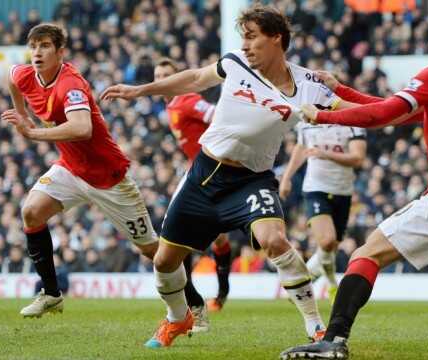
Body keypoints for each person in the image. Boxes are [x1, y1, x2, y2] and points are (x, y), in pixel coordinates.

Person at [102, 4, 356, 349]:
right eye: (244, 38)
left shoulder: (311, 85)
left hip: (251, 180)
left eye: (252, 37)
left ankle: (315, 326)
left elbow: (360, 110)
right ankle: (178, 318)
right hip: (203, 176)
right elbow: (193, 79)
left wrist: (410, 108)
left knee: (275, 240)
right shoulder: (235, 62)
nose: (246, 45)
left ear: (276, 38)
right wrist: (140, 90)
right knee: (163, 260)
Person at [281, 8, 428, 359]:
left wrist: (323, 114)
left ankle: (333, 341)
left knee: (366, 254)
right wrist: (340, 90)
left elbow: (384, 114)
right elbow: (394, 109)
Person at [2, 23, 160, 318]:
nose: (37, 52)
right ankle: (51, 294)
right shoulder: (23, 74)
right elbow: (11, 79)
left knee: (153, 251)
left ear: (60, 52)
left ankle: (194, 303)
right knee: (31, 212)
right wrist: (22, 114)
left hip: (108, 177)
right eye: (34, 46)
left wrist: (32, 133)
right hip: (71, 169)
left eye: (45, 46)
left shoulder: (70, 84)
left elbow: (82, 128)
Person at [154, 59, 233, 331]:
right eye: (158, 76)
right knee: (217, 236)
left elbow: (214, 115)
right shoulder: (170, 105)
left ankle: (196, 307)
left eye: (167, 75)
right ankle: (218, 294)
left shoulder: (186, 99)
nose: (162, 80)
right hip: (200, 173)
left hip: (211, 173)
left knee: (177, 236)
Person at [279, 119, 366, 302]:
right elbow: (301, 148)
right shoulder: (307, 121)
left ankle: (305, 279)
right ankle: (333, 285)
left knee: (331, 247)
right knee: (326, 241)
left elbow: (358, 158)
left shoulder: (352, 121)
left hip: (343, 191)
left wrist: (325, 154)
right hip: (315, 189)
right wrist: (287, 177)